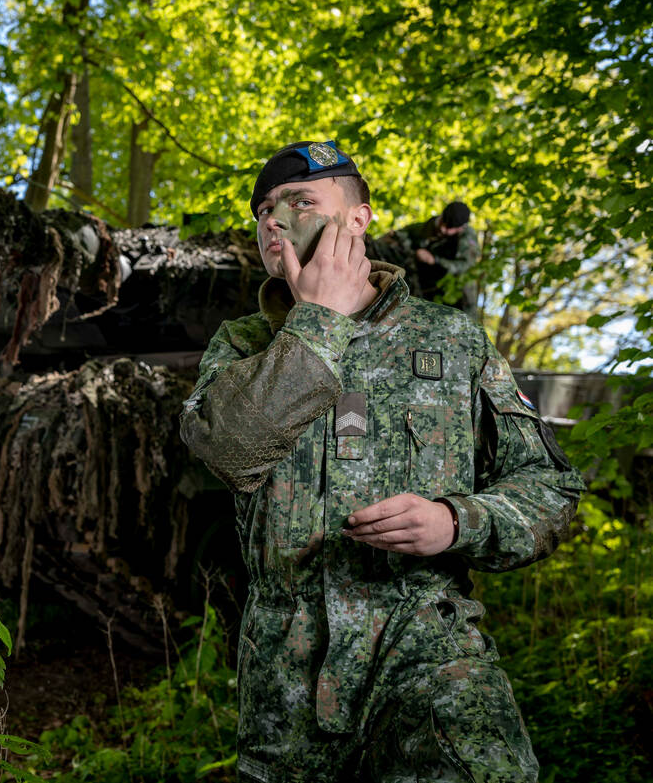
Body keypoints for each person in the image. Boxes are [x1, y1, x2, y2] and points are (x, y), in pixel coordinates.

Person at [179, 140, 583, 782]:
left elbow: (550, 489)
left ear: (358, 218)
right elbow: (227, 449)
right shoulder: (243, 344)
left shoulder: (451, 339)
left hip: (428, 649)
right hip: (288, 681)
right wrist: (318, 321)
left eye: (299, 201)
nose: (273, 220)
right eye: (263, 211)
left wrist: (457, 521)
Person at [372, 200, 479, 318]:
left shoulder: (466, 237)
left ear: (460, 228)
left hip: (447, 286)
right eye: (443, 222)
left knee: (467, 286)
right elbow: (395, 237)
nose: (443, 229)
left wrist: (434, 260)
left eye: (449, 227)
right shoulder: (426, 227)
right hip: (419, 278)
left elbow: (466, 266)